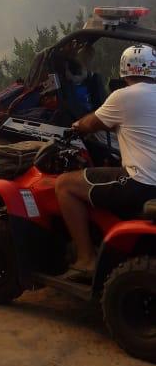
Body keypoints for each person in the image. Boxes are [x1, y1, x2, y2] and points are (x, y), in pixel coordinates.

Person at [55, 43, 156, 282]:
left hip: (142, 182)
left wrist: (76, 126)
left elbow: (90, 124)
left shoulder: (123, 96)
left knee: (64, 185)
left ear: (125, 69)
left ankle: (86, 259)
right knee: (110, 170)